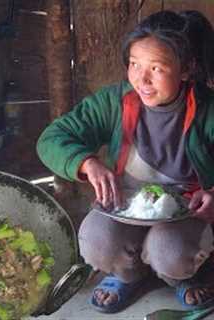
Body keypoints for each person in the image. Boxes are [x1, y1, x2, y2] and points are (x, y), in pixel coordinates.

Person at [37, 10, 214, 313]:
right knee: (93, 240)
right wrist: (86, 163)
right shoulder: (115, 102)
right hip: (126, 206)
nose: (141, 79)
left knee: (170, 252)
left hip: (186, 213)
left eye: (156, 68)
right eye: (134, 64)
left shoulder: (207, 110)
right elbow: (52, 138)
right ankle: (128, 275)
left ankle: (184, 275)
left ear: (187, 69)